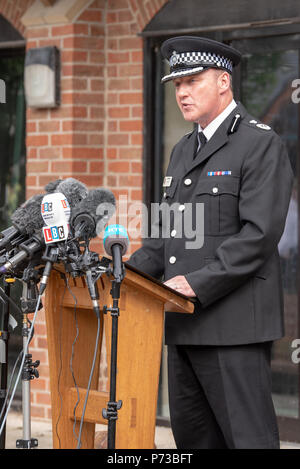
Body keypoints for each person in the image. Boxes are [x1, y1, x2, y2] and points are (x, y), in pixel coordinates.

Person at [127, 36, 294, 449]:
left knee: (246, 441)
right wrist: (120, 274)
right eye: (176, 85)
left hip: (232, 327)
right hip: (182, 325)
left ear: (223, 81)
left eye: (193, 81)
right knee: (192, 443)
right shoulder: (185, 149)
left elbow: (257, 236)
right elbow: (168, 234)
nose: (182, 93)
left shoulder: (259, 143)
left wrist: (196, 282)